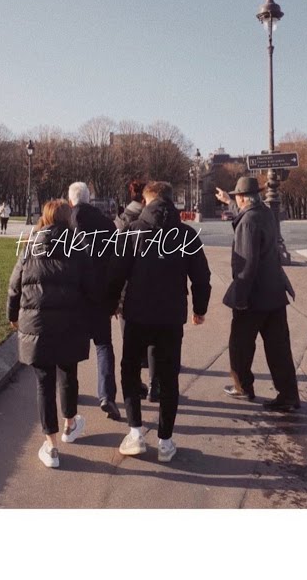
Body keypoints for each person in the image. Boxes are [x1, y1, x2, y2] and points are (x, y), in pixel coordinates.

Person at [108, 181, 211, 462]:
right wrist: (199, 308)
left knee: (130, 370)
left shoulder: (132, 231)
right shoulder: (186, 234)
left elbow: (116, 273)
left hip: (137, 313)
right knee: (168, 377)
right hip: (170, 315)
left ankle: (135, 432)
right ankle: (165, 440)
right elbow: (201, 276)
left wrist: (112, 304)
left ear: (148, 200)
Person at [7, 199, 96, 468]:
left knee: (44, 383)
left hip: (38, 324)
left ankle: (51, 444)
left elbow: (15, 285)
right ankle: (70, 423)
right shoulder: (78, 246)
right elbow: (91, 287)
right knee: (68, 374)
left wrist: (13, 315)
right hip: (70, 323)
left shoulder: (31, 246)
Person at [214, 177, 302, 412]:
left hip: (254, 296)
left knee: (240, 345)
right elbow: (246, 212)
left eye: (236, 198)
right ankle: (289, 395)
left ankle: (243, 386)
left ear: (243, 198)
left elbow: (246, 265)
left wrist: (240, 298)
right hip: (275, 292)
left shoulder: (248, 222)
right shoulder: (265, 213)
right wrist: (228, 201)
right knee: (279, 348)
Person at [68, 182, 123, 420]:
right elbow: (116, 263)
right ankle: (106, 395)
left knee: (70, 348)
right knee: (103, 345)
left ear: (71, 200)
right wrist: (114, 296)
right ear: (89, 199)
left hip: (75, 295)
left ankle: (70, 393)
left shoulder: (67, 223)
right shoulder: (106, 224)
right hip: (101, 293)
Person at [114, 180, 156, 401]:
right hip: (149, 285)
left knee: (129, 341)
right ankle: (155, 384)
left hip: (126, 289)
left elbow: (115, 257)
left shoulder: (121, 220)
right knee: (153, 339)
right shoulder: (151, 219)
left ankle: (136, 385)